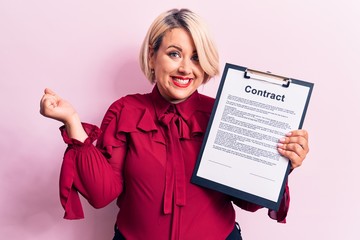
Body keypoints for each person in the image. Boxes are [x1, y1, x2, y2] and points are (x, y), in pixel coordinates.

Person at [40, 8, 309, 240]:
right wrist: (72, 122)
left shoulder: (223, 112)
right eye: (174, 54)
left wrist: (281, 163)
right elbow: (101, 195)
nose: (185, 69)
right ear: (152, 56)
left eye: (195, 57)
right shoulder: (125, 111)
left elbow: (248, 203)